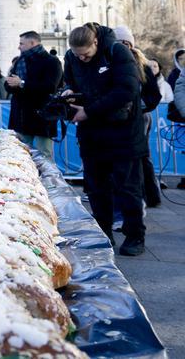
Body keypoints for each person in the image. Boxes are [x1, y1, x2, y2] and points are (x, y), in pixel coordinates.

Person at [63, 23, 146, 256]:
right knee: (96, 188)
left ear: (96, 43)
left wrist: (89, 111)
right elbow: (71, 82)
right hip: (92, 133)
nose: (83, 58)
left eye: (86, 54)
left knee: (127, 187)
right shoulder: (72, 56)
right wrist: (69, 93)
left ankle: (135, 235)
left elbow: (126, 90)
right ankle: (103, 233)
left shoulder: (117, 51)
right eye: (78, 55)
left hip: (124, 132)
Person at [113, 26, 162, 208]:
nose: (123, 46)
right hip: (118, 117)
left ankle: (149, 195)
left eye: (126, 43)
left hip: (140, 117)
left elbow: (154, 95)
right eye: (119, 43)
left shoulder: (142, 65)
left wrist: (138, 106)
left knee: (140, 156)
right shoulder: (111, 63)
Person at [5, 31, 63, 164]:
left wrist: (22, 83)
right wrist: (12, 84)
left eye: (21, 43)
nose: (19, 47)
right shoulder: (20, 60)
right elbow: (9, 84)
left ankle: (48, 184)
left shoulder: (51, 61)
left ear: (32, 43)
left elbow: (50, 87)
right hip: (21, 116)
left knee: (44, 157)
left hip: (42, 116)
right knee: (19, 156)